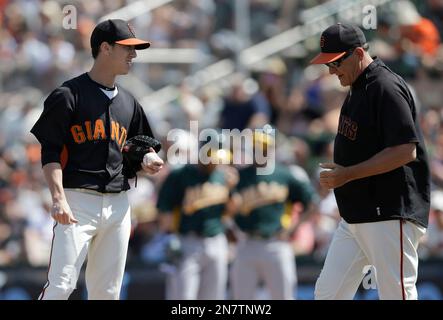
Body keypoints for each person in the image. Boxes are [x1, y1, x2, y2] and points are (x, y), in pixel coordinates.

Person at [30, 19, 164, 300]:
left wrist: (147, 158)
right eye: (127, 48)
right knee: (61, 285)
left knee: (108, 292)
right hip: (77, 200)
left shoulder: (130, 102)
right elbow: (50, 152)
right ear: (105, 48)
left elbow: (136, 146)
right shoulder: (68, 95)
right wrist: (58, 198)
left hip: (118, 204)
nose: (133, 55)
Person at [310, 23, 430, 300]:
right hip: (355, 215)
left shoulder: (385, 87)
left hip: (389, 211)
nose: (331, 70)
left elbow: (404, 151)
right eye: (327, 64)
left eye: (336, 62)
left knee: (396, 295)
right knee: (327, 294)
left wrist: (348, 174)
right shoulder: (358, 87)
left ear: (359, 53)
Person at [230, 131, 316, 300]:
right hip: (247, 242)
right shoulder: (240, 176)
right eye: (256, 146)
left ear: (271, 147)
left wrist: (292, 229)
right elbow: (227, 207)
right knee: (241, 299)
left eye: (263, 146)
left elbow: (312, 204)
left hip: (277, 243)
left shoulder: (284, 174)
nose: (259, 150)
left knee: (283, 296)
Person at [156, 142, 238, 300]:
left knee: (214, 296)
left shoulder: (223, 176)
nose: (214, 163)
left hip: (216, 241)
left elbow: (231, 211)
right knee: (183, 296)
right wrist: (169, 236)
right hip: (187, 242)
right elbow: (164, 207)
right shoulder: (181, 174)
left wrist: (232, 189)